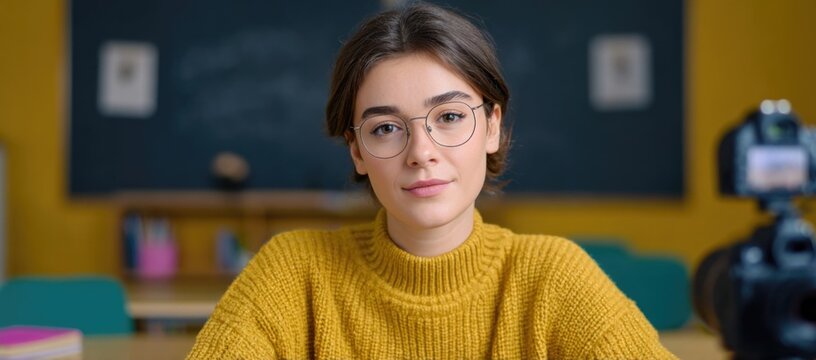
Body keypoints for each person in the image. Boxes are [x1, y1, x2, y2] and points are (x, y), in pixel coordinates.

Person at [188, 2, 677, 359]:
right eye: (385, 128)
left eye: (448, 117)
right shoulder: (292, 274)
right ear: (357, 150)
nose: (421, 154)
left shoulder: (552, 277)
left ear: (491, 127)